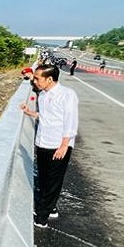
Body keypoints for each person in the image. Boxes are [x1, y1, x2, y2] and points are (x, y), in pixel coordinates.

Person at [19, 64, 79, 228]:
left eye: (38, 78)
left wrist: (64, 146)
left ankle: (42, 219)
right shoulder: (43, 95)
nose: (35, 81)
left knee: (53, 182)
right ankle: (50, 208)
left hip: (58, 146)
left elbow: (71, 122)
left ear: (50, 79)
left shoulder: (67, 95)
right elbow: (45, 116)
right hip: (43, 143)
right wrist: (29, 112)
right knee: (44, 179)